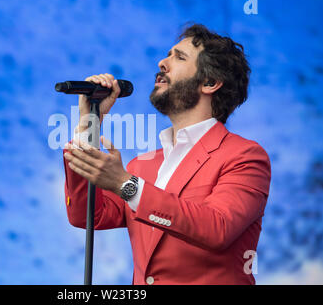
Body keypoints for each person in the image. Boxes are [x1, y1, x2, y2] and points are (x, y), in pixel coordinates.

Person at [62, 24, 271, 285]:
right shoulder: (143, 165)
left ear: (210, 83)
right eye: (167, 54)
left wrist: (125, 185)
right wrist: (89, 121)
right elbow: (88, 215)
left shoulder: (244, 157)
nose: (162, 62)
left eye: (179, 57)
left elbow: (218, 228)